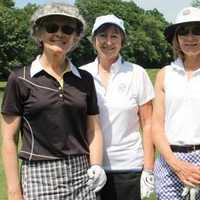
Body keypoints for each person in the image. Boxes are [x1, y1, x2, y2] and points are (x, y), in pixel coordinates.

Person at [1, 2, 106, 200]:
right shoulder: (20, 79)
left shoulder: (84, 79)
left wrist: (97, 165)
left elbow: (94, 129)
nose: (60, 34)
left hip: (82, 174)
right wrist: (14, 191)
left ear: (75, 37)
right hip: (39, 175)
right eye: (51, 27)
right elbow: (8, 139)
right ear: (39, 33)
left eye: (67, 29)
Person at [81, 14, 155, 200]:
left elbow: (147, 124)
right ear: (93, 40)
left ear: (122, 40)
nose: (108, 42)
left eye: (114, 36)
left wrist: (148, 168)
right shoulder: (81, 74)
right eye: (102, 35)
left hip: (129, 167)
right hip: (90, 168)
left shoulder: (136, 73)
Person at [152, 6, 200, 200]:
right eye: (183, 32)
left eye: (197, 30)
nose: (190, 37)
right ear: (176, 39)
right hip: (170, 160)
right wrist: (177, 165)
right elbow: (157, 126)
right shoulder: (165, 74)